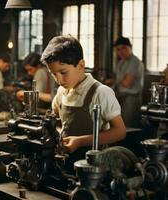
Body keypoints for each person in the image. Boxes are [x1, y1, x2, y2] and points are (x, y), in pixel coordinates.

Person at [41, 35, 126, 172]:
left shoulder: (101, 93)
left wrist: (80, 141)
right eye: (53, 74)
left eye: (63, 72)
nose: (58, 79)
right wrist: (58, 136)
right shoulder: (61, 92)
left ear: (81, 65)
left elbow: (120, 132)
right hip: (66, 165)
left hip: (95, 168)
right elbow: (56, 123)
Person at [105, 36, 144, 128]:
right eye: (118, 49)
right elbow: (120, 80)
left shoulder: (135, 62)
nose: (120, 51)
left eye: (123, 48)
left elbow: (127, 83)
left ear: (130, 47)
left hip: (131, 99)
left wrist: (115, 82)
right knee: (118, 125)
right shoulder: (121, 62)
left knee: (128, 126)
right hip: (121, 97)